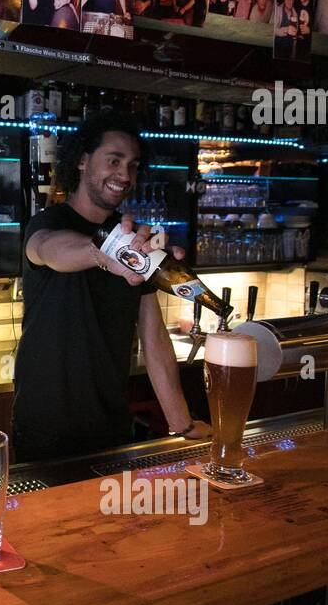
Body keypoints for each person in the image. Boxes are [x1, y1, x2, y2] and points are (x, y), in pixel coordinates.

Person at [13, 113, 210, 459]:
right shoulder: (47, 223)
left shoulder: (133, 240)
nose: (125, 175)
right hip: (46, 426)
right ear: (82, 161)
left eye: (133, 165)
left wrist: (183, 425)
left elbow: (153, 337)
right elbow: (50, 250)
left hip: (112, 423)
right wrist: (103, 253)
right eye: (114, 161)